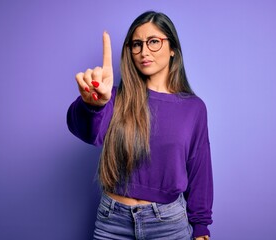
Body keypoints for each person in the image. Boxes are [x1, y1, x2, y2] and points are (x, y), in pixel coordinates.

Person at [67, 11, 213, 240]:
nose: (144, 51)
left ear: (173, 48)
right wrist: (93, 106)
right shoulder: (114, 98)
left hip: (168, 225)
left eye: (154, 41)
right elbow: (85, 131)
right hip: (112, 222)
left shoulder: (194, 108)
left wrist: (201, 225)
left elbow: (199, 169)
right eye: (137, 44)